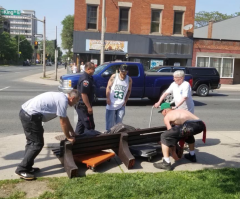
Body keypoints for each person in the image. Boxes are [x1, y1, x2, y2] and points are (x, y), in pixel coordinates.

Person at [15, 90, 80, 180]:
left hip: (26, 113)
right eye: (77, 101)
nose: (76, 103)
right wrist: (68, 137)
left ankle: (27, 167)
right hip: (31, 116)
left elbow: (65, 118)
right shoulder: (63, 101)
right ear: (72, 98)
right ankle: (22, 169)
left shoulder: (61, 97)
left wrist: (72, 131)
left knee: (31, 142)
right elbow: (63, 122)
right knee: (37, 144)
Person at [153, 103, 206, 171]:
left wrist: (173, 151)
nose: (162, 114)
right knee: (188, 134)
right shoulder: (180, 111)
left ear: (165, 111)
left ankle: (166, 163)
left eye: (161, 112)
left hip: (189, 125)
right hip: (200, 124)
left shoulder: (167, 116)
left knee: (164, 136)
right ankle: (192, 155)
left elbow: (170, 134)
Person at [105, 64, 132, 131]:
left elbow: (129, 91)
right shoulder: (114, 77)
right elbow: (108, 87)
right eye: (122, 71)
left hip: (121, 104)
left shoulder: (129, 79)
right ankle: (109, 137)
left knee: (119, 125)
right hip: (112, 103)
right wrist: (108, 98)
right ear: (119, 70)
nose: (123, 73)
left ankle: (116, 138)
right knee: (110, 125)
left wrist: (125, 101)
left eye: (125, 71)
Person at [75, 62, 96, 134]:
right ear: (88, 69)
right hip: (83, 106)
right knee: (89, 126)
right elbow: (84, 94)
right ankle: (89, 143)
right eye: (93, 69)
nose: (94, 70)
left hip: (82, 106)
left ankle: (76, 140)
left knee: (81, 125)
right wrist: (89, 107)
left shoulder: (89, 77)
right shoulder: (85, 79)